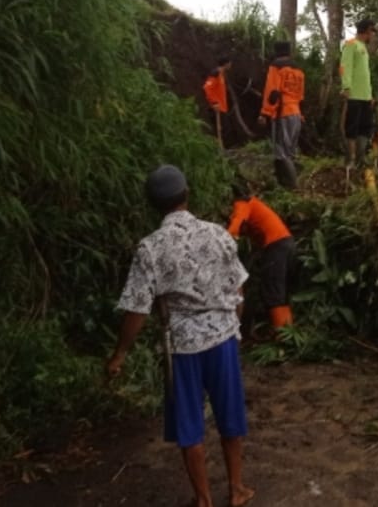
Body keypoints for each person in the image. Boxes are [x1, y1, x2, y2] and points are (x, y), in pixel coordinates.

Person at [106, 165, 255, 507]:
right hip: (222, 339)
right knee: (230, 414)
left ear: (153, 205)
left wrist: (120, 354)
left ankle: (203, 500)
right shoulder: (218, 234)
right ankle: (237, 490)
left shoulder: (150, 248)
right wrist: (234, 328)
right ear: (187, 194)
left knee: (190, 425)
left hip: (183, 347)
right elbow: (239, 289)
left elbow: (137, 310)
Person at [227, 183, 295, 332]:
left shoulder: (242, 204)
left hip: (276, 245)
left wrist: (224, 238)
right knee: (280, 292)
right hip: (285, 243)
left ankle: (282, 335)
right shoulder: (255, 204)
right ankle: (288, 333)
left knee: (272, 293)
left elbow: (236, 224)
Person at [258, 41, 305, 189]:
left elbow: (273, 93)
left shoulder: (276, 66)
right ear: (289, 52)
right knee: (290, 151)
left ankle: (293, 186)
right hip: (296, 113)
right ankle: (283, 183)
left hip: (282, 113)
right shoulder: (298, 70)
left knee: (281, 151)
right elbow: (300, 95)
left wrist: (265, 113)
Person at [340, 18, 377, 169]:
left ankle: (361, 157)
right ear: (367, 31)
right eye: (372, 32)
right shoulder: (351, 44)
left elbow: (364, 74)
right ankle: (352, 159)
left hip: (365, 96)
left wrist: (370, 95)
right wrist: (346, 87)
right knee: (352, 127)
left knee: (365, 127)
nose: (372, 36)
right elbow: (344, 66)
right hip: (354, 94)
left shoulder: (363, 48)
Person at [203, 57, 232, 146]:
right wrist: (214, 102)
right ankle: (218, 150)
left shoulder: (222, 75)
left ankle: (222, 150)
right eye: (230, 63)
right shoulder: (215, 73)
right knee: (221, 130)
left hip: (222, 107)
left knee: (225, 129)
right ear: (226, 64)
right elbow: (207, 87)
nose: (231, 65)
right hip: (216, 108)